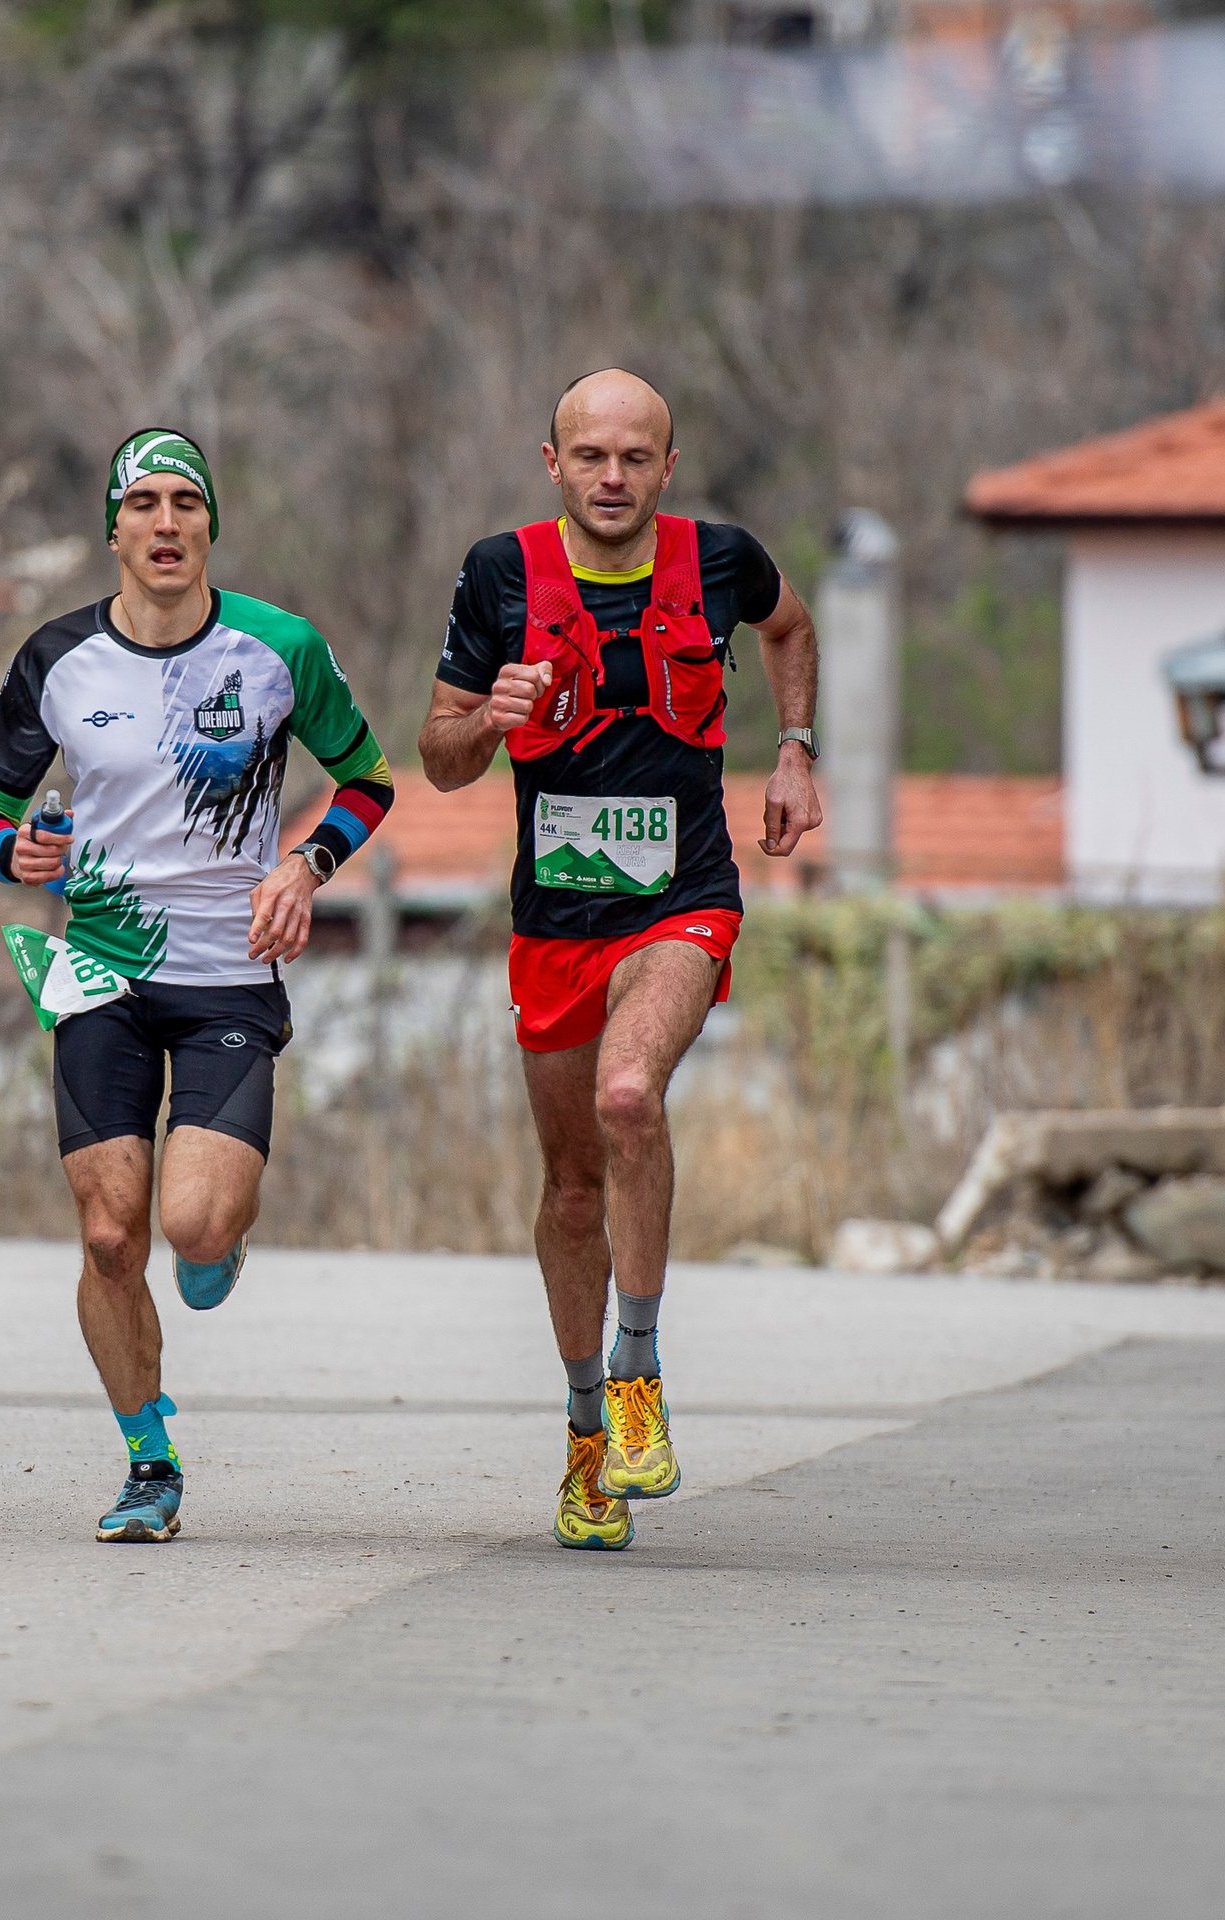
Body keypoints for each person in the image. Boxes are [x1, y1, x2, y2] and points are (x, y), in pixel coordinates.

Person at [418, 369, 823, 1550]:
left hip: (683, 902)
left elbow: (791, 623)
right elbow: (436, 756)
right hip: (555, 923)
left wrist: (794, 752)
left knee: (628, 1094)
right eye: (588, 456)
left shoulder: (719, 560)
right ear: (552, 463)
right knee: (571, 1189)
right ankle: (586, 1437)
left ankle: (639, 1371)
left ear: (666, 466)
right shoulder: (499, 574)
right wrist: (488, 721)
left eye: (632, 458)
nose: (610, 477)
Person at [0, 428, 396, 1542]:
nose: (166, 524)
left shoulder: (277, 649)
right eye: (144, 503)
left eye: (186, 505)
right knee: (111, 1237)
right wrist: (8, 852)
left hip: (226, 980)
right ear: (111, 527)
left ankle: (218, 1244)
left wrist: (307, 863)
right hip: (99, 968)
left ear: (211, 526)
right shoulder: (54, 659)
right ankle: (147, 1459)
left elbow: (368, 777)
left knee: (191, 1227)